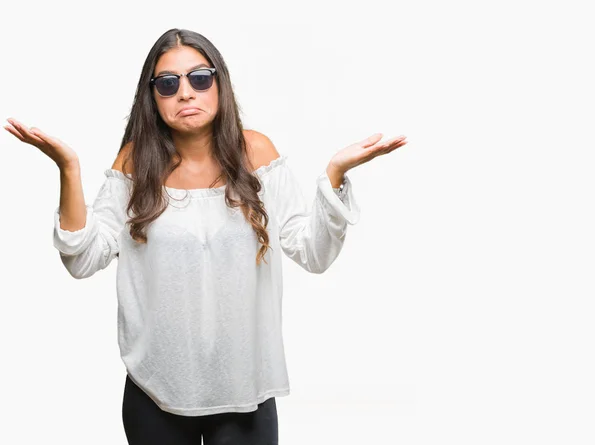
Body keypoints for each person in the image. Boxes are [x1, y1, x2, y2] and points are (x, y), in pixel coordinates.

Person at [4, 28, 407, 445]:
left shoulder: (257, 154)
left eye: (200, 78)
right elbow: (83, 259)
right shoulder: (133, 162)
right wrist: (68, 169)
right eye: (168, 83)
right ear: (153, 96)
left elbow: (312, 252)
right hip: (154, 390)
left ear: (220, 84)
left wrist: (335, 177)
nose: (185, 93)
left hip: (244, 390)